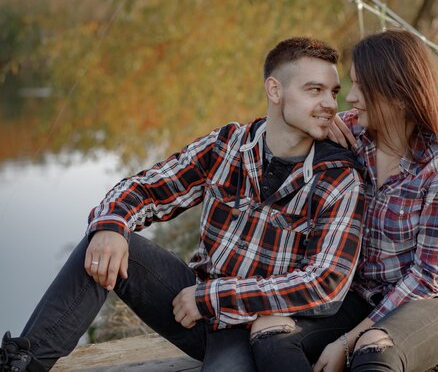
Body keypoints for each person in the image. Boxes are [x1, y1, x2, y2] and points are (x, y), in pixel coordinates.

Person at [0, 37, 365, 372]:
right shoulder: (227, 145)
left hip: (255, 325)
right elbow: (145, 188)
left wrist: (212, 297)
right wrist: (112, 224)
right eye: (314, 90)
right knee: (103, 243)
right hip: (189, 308)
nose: (330, 104)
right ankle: (22, 364)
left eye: (333, 92)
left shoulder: (336, 176)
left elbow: (325, 284)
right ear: (275, 90)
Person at [250, 28, 438, 372]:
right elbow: (278, 131)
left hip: (436, 297)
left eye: (362, 86)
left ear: (400, 96)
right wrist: (314, 129)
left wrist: (346, 341)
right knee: (269, 328)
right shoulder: (351, 135)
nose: (349, 98)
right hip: (360, 293)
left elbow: (428, 277)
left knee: (373, 346)